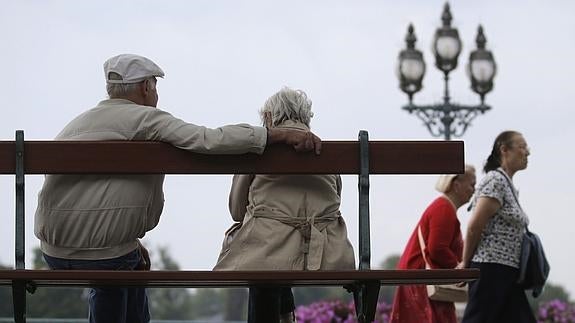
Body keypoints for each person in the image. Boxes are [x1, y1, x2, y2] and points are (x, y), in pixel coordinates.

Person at [34, 54, 322, 323]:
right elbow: (209, 140)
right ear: (146, 87)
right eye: (155, 86)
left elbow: (92, 196)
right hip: (104, 258)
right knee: (116, 269)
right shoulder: (146, 119)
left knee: (131, 263)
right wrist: (274, 135)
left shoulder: (76, 124)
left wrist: (130, 243)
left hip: (54, 252)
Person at [213, 87, 356, 323]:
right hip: (324, 258)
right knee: (282, 255)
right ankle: (286, 317)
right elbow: (335, 202)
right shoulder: (329, 154)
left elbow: (237, 211)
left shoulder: (257, 153)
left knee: (267, 260)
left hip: (269, 254)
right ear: (306, 117)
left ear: (269, 118)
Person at [460, 130, 535, 323]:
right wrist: (465, 263)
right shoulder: (495, 181)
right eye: (522, 147)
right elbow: (474, 226)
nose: (527, 152)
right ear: (504, 150)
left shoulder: (507, 183)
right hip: (490, 270)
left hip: (508, 272)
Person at [390, 165, 476, 323]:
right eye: (471, 184)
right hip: (421, 279)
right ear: (456, 185)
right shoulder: (444, 208)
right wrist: (458, 268)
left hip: (418, 277)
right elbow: (437, 248)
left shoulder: (443, 207)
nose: (474, 190)